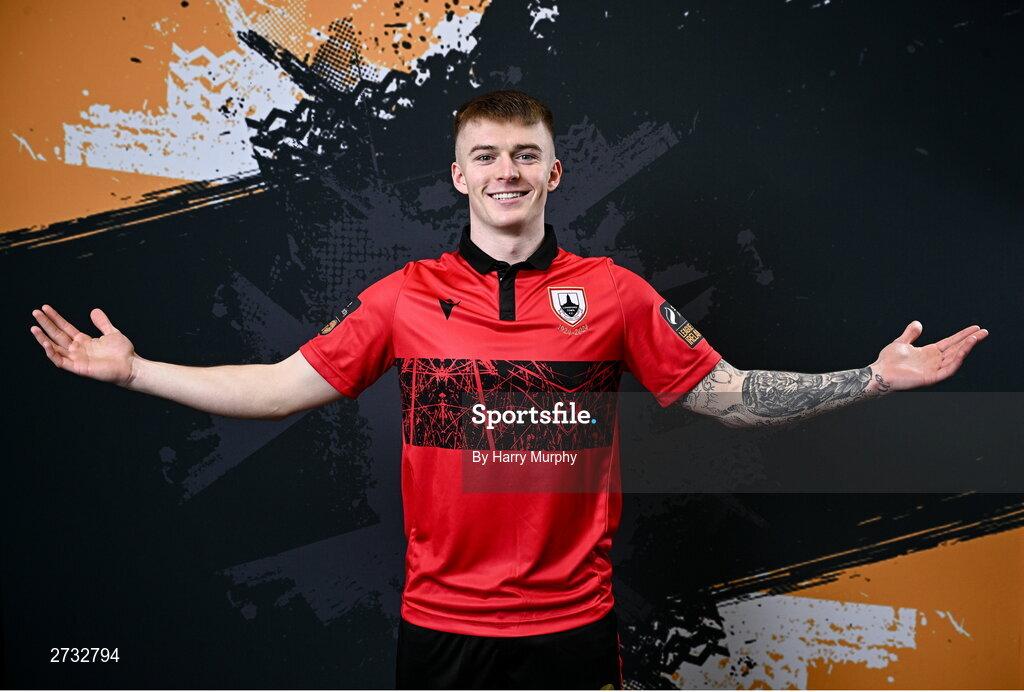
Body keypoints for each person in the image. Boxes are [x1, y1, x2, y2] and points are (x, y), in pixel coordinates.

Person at [30, 90, 987, 689]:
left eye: (525, 153)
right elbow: (283, 389)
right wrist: (138, 370)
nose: (506, 171)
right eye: (486, 155)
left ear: (555, 172)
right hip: (440, 624)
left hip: (572, 622)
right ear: (458, 176)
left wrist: (873, 378)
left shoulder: (615, 295)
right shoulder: (405, 297)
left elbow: (725, 394)